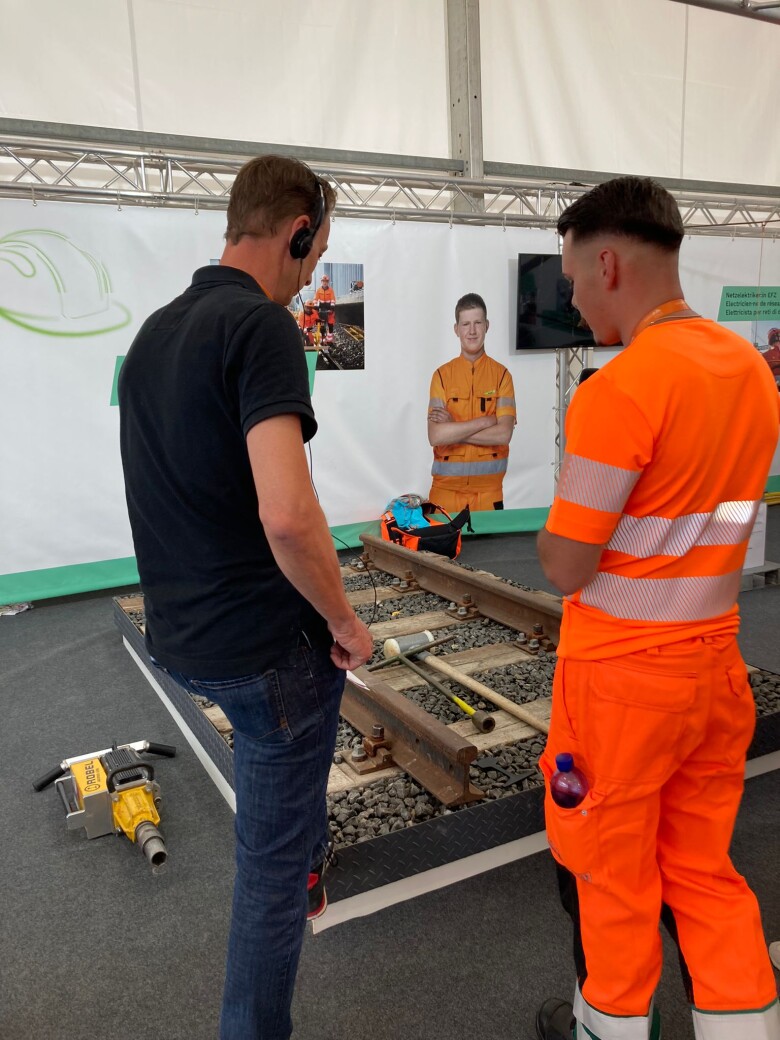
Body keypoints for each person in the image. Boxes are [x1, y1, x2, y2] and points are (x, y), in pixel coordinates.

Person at [118, 155, 373, 1040]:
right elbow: (289, 516)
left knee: (283, 826)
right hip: (267, 656)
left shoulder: (155, 332)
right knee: (267, 876)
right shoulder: (264, 328)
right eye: (317, 254)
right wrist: (343, 619)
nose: (311, 275)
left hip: (184, 643)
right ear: (297, 233)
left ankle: (307, 851)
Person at [534, 176, 780, 1040]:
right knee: (704, 872)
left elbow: (566, 566)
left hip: (620, 687)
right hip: (714, 669)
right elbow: (722, 519)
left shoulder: (620, 389)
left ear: (608, 264)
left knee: (611, 876)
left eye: (572, 278)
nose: (571, 296)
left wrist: (559, 533)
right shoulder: (749, 374)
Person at [427, 293, 516, 513]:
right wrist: (486, 421)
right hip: (445, 495)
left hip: (489, 495)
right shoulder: (441, 376)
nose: (472, 331)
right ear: (456, 329)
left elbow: (503, 434)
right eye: (466, 324)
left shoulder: (502, 376)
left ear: (487, 326)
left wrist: (454, 429)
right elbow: (435, 436)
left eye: (478, 323)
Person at [313, 272, 336, 341]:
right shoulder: (318, 290)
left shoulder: (331, 290)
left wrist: (332, 309)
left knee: (330, 324)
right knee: (320, 324)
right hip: (321, 308)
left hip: (329, 308)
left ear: (328, 282)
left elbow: (333, 300)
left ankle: (329, 340)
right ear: (321, 282)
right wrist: (316, 308)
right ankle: (321, 339)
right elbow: (315, 299)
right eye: (323, 281)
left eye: (326, 281)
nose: (325, 283)